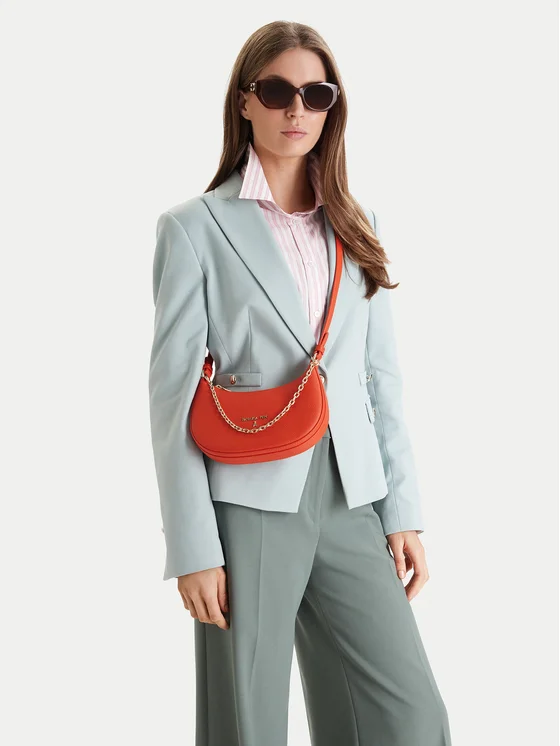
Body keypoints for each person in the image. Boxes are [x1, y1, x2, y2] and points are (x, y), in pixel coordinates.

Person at [148, 20, 452, 746]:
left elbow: (381, 378)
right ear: (244, 101)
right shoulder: (194, 228)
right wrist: (194, 548)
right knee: (246, 723)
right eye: (278, 91)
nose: (296, 110)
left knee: (411, 716)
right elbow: (171, 399)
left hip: (352, 495)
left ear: (331, 107)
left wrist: (402, 512)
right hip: (247, 501)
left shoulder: (357, 223)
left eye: (316, 95)